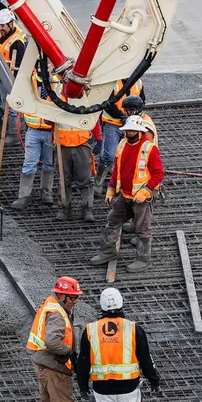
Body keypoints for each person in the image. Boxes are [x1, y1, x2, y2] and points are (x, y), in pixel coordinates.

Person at [26, 277, 88, 402]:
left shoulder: (50, 304)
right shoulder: (57, 314)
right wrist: (70, 354)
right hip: (54, 367)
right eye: (72, 298)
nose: (74, 302)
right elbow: (52, 341)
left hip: (42, 365)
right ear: (61, 294)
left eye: (76, 298)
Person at [87, 116, 163, 273]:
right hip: (125, 195)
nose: (131, 132)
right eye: (129, 129)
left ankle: (143, 259)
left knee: (143, 229)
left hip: (141, 198)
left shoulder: (149, 148)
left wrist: (146, 191)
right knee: (112, 221)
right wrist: (111, 189)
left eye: (134, 130)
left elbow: (158, 173)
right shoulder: (122, 145)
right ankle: (108, 251)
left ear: (140, 131)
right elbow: (116, 170)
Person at [10, 68, 58, 210]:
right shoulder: (29, 80)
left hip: (51, 130)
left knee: (49, 163)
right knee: (29, 162)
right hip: (33, 130)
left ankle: (46, 192)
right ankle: (24, 196)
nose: (47, 68)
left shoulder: (58, 82)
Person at [97, 79, 144, 182]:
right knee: (109, 155)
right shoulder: (112, 82)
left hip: (131, 125)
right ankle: (99, 181)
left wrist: (132, 118)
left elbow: (141, 101)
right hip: (112, 123)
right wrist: (122, 116)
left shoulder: (138, 82)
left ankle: (120, 179)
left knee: (128, 154)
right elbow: (107, 103)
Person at [55, 120, 95, 222]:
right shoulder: (57, 104)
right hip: (62, 144)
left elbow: (93, 119)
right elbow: (48, 120)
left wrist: (98, 138)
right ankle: (64, 208)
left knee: (85, 179)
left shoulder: (85, 104)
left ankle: (87, 209)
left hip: (82, 143)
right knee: (64, 180)